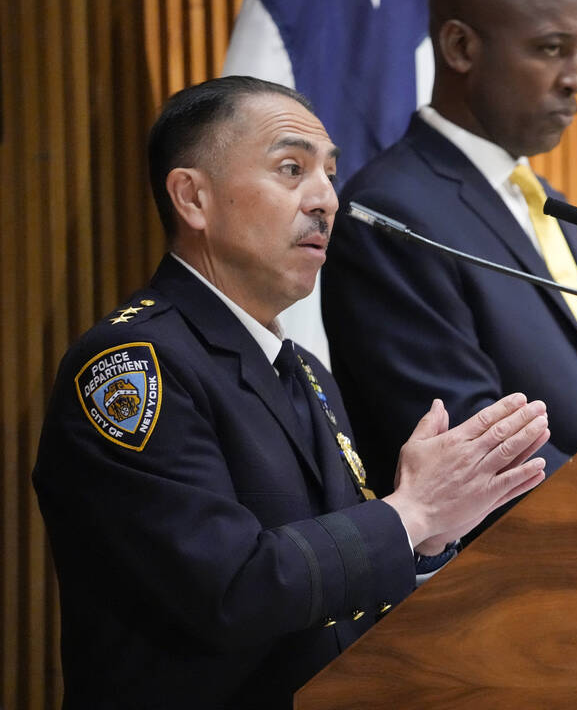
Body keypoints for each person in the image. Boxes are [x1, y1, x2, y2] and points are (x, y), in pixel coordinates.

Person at [32, 76, 550, 708]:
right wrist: (409, 513)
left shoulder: (306, 373)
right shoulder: (134, 366)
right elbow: (229, 591)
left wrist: (429, 541)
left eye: (330, 174)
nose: (327, 199)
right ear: (192, 197)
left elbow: (339, 593)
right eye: (290, 168)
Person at [322, 0, 577, 505]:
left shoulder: (541, 200)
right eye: (550, 48)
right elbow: (474, 448)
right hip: (511, 572)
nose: (576, 78)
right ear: (461, 47)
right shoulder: (391, 216)